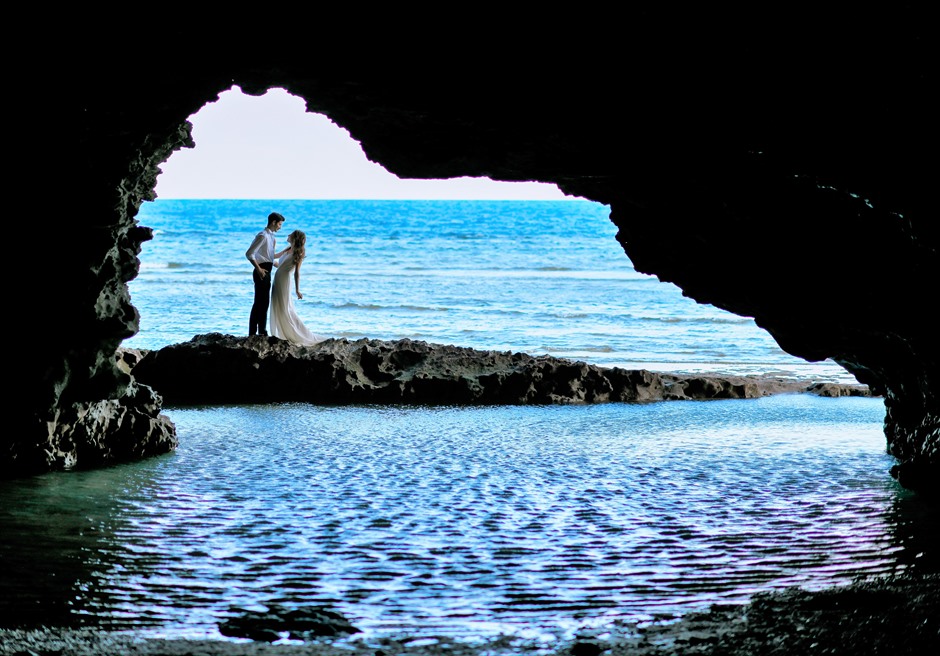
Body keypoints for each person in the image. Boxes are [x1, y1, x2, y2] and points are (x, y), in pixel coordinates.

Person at [270, 229, 326, 346]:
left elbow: (296, 273)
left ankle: (298, 333)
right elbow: (276, 259)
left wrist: (297, 290)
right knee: (278, 305)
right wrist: (271, 247)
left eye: (290, 234)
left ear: (295, 238)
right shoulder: (287, 249)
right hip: (278, 279)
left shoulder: (299, 252)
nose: (288, 235)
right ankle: (282, 332)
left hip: (284, 280)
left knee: (286, 307)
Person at [245, 212, 285, 336]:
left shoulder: (272, 237)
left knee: (265, 302)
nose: (280, 227)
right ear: (273, 222)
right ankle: (252, 333)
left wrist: (287, 251)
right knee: (258, 303)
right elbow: (249, 254)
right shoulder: (262, 235)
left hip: (267, 270)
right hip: (260, 270)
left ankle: (262, 330)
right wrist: (258, 269)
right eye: (279, 224)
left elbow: (271, 257)